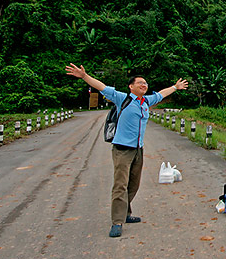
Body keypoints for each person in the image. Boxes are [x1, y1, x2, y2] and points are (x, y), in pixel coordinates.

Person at [65, 64, 188, 238]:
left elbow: (161, 94)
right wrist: (84, 76)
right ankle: (117, 221)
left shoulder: (146, 101)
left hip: (138, 149)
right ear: (131, 87)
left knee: (133, 184)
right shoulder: (122, 98)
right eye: (140, 83)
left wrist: (175, 87)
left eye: (145, 83)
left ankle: (126, 213)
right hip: (122, 149)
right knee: (120, 185)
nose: (144, 85)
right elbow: (101, 86)